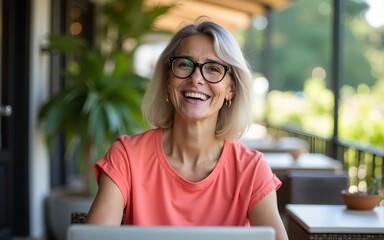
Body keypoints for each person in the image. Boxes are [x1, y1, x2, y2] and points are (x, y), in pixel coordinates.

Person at [87, 16, 288, 239]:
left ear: (231, 89)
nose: (196, 78)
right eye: (184, 64)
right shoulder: (126, 156)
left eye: (213, 68)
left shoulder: (251, 169)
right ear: (167, 79)